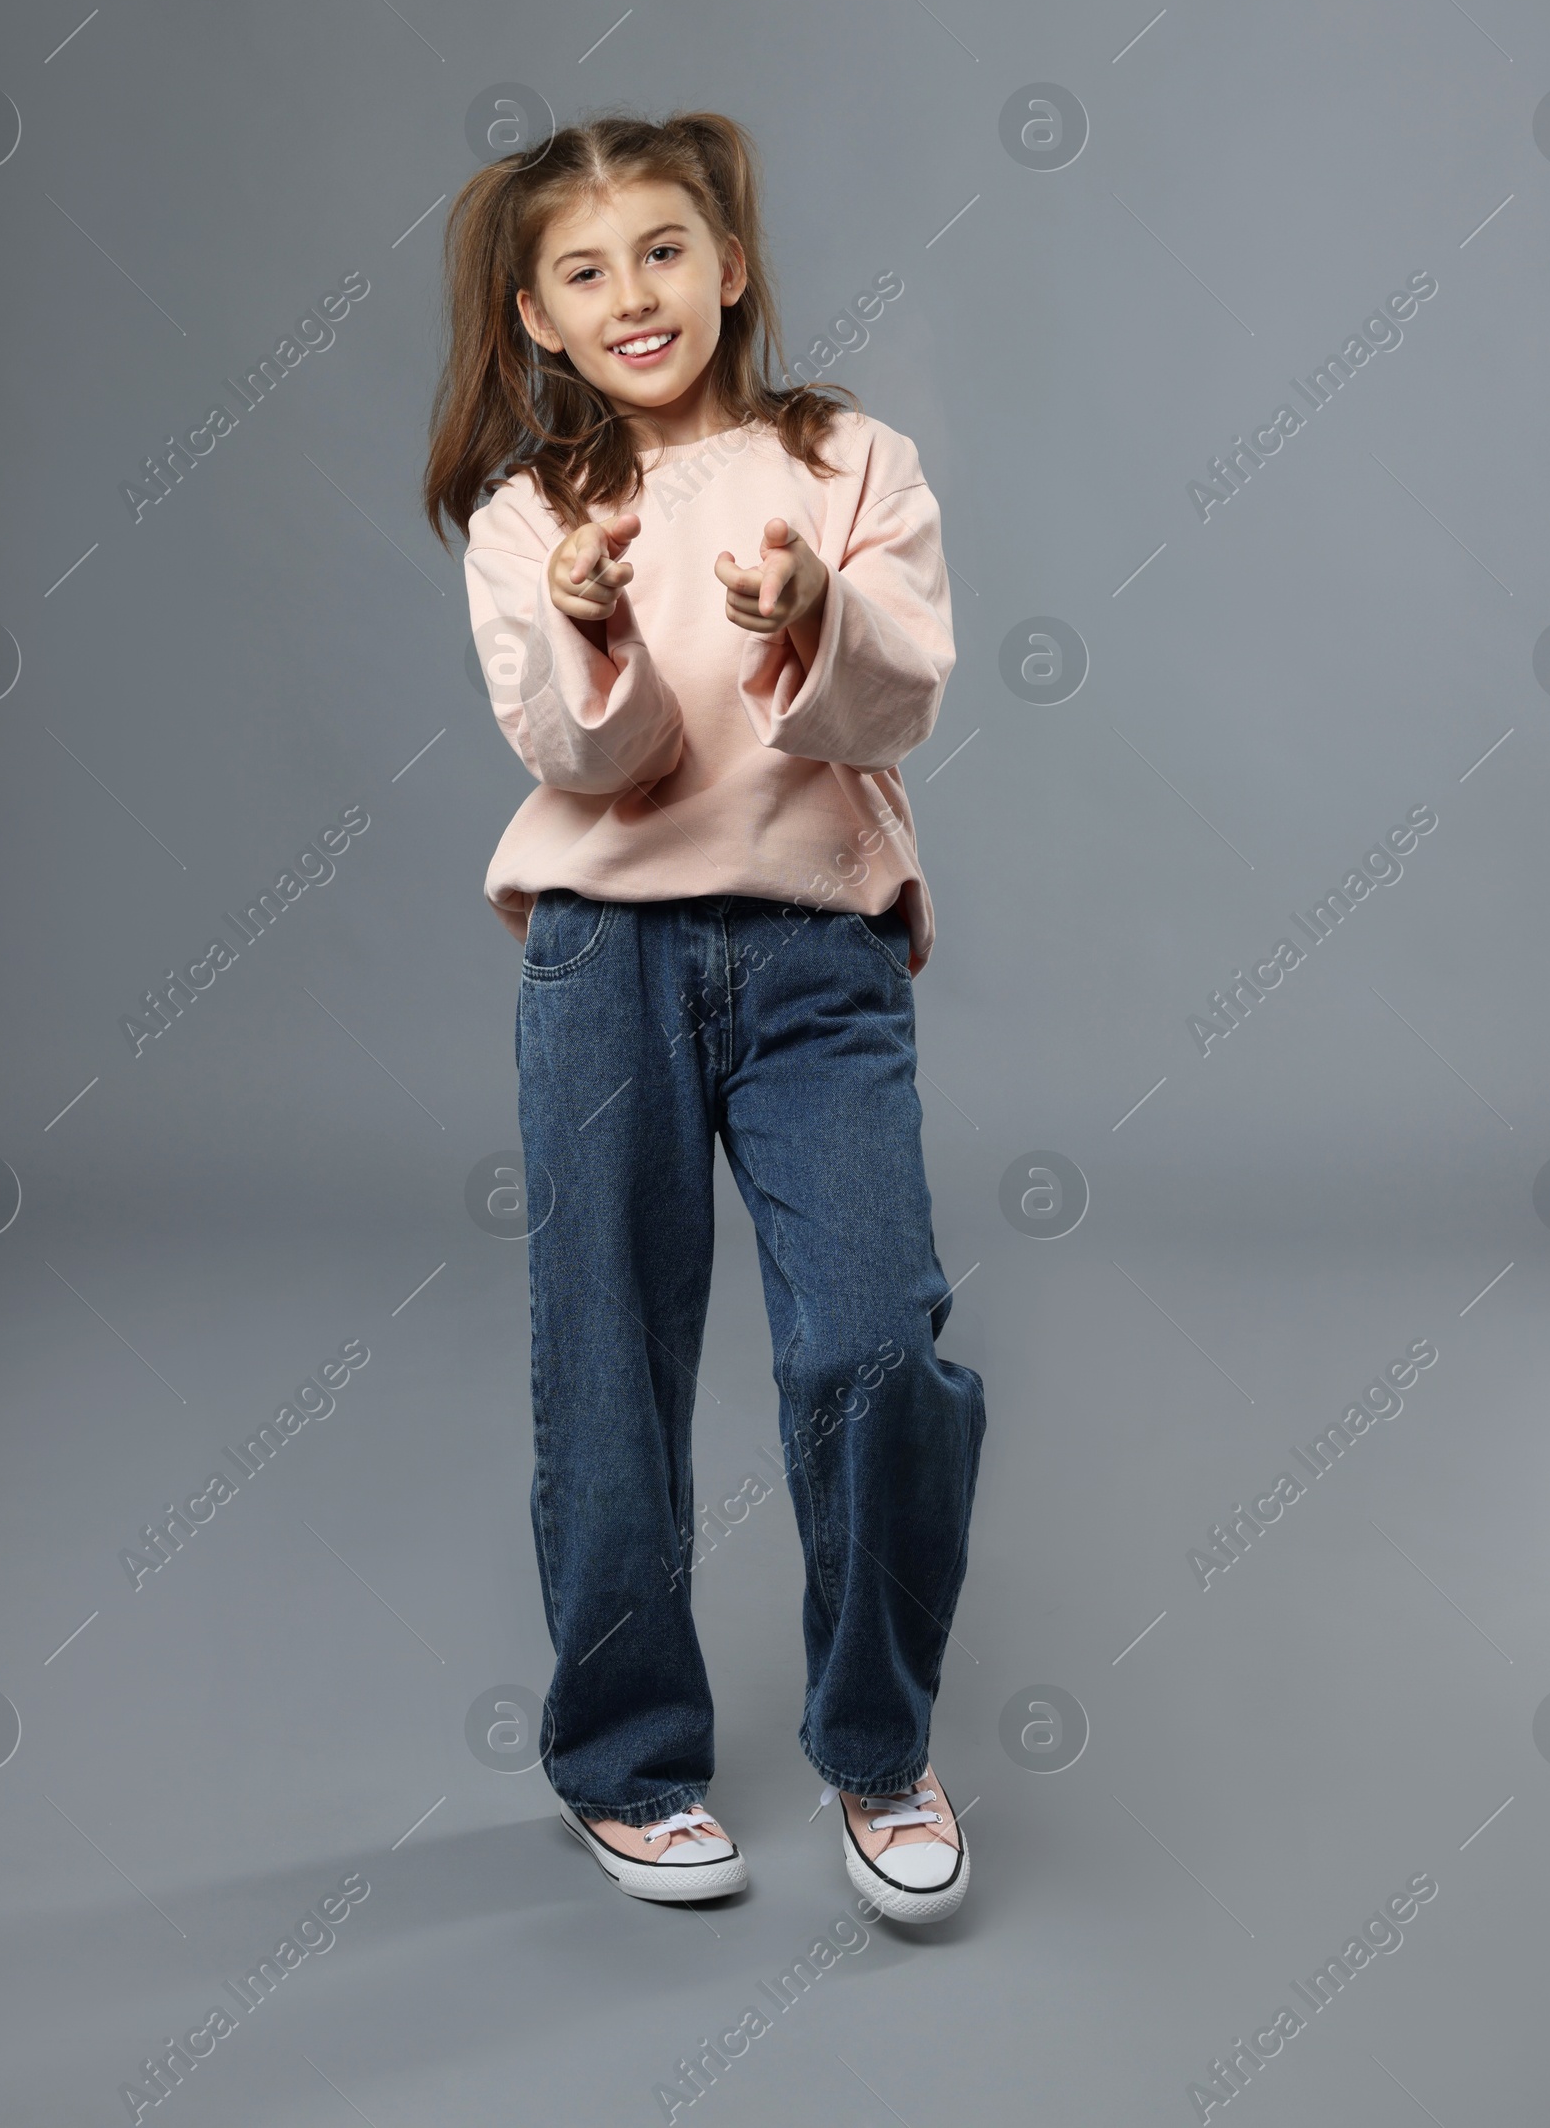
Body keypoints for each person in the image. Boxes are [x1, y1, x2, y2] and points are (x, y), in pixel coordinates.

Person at [424, 109, 984, 1923]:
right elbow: (589, 758)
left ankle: (878, 1745)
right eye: (584, 272)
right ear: (535, 321)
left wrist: (815, 600)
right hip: (609, 965)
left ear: (728, 264)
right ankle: (628, 1757)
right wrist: (596, 624)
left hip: (820, 957)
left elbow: (887, 707)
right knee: (607, 1364)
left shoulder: (848, 459)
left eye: (663, 250)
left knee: (876, 1345)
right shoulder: (530, 517)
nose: (633, 294)